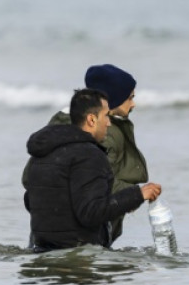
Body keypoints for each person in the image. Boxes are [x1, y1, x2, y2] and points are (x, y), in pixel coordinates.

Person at [22, 64, 149, 243]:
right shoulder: (103, 135)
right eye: (130, 97)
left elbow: (30, 180)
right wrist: (134, 195)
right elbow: (101, 187)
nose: (133, 103)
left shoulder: (57, 127)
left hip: (45, 238)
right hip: (83, 239)